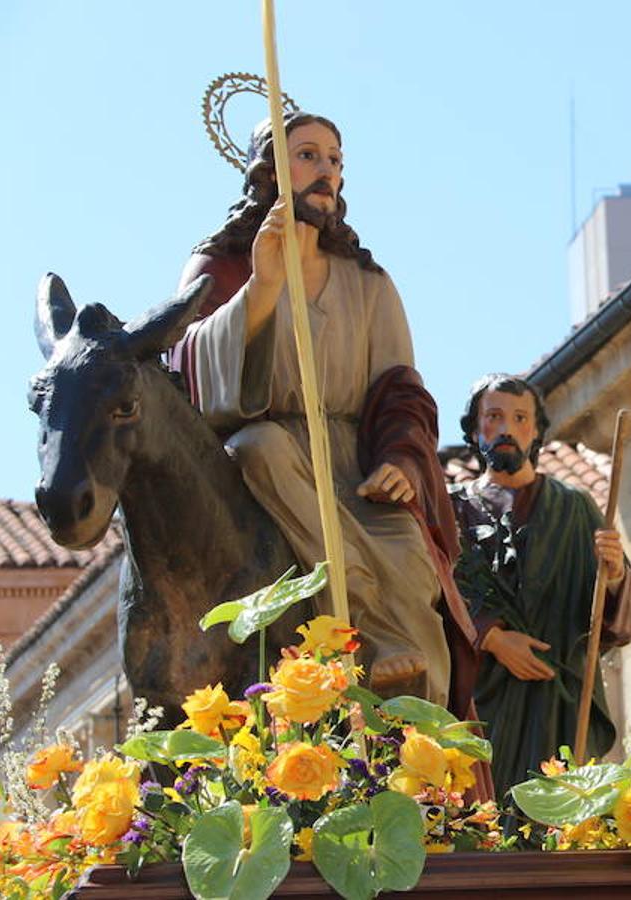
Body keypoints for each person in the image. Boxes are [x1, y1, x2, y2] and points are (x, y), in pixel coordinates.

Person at [171, 112, 478, 725]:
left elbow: (401, 390)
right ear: (270, 173)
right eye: (309, 155)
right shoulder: (221, 267)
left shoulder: (369, 283)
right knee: (258, 447)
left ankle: (427, 733)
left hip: (355, 459)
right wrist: (262, 285)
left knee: (413, 555)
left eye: (335, 160)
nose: (327, 172)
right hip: (272, 453)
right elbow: (183, 367)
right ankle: (365, 620)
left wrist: (398, 458)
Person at [450, 374, 631, 794]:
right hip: (481, 700)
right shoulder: (452, 510)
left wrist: (612, 575)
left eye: (520, 418)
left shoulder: (574, 507)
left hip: (558, 700)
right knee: (484, 814)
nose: (506, 429)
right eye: (494, 416)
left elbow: (622, 616)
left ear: (536, 430)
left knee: (554, 812)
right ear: (473, 427)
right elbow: (430, 596)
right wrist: (493, 639)